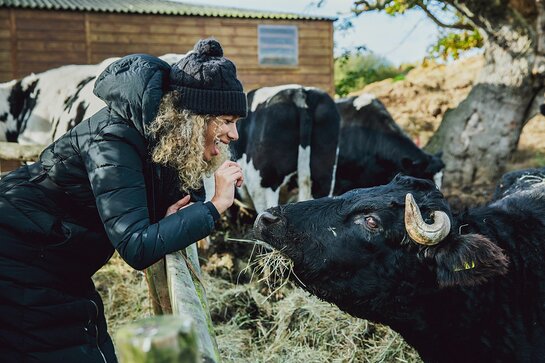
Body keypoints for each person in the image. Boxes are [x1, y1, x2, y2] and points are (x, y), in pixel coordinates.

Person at [0, 38, 246, 362]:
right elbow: (136, 246)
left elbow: (162, 202)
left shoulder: (159, 138)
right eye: (226, 121)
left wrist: (166, 215)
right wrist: (214, 206)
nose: (235, 135)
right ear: (192, 119)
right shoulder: (113, 139)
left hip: (57, 258)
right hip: (19, 256)